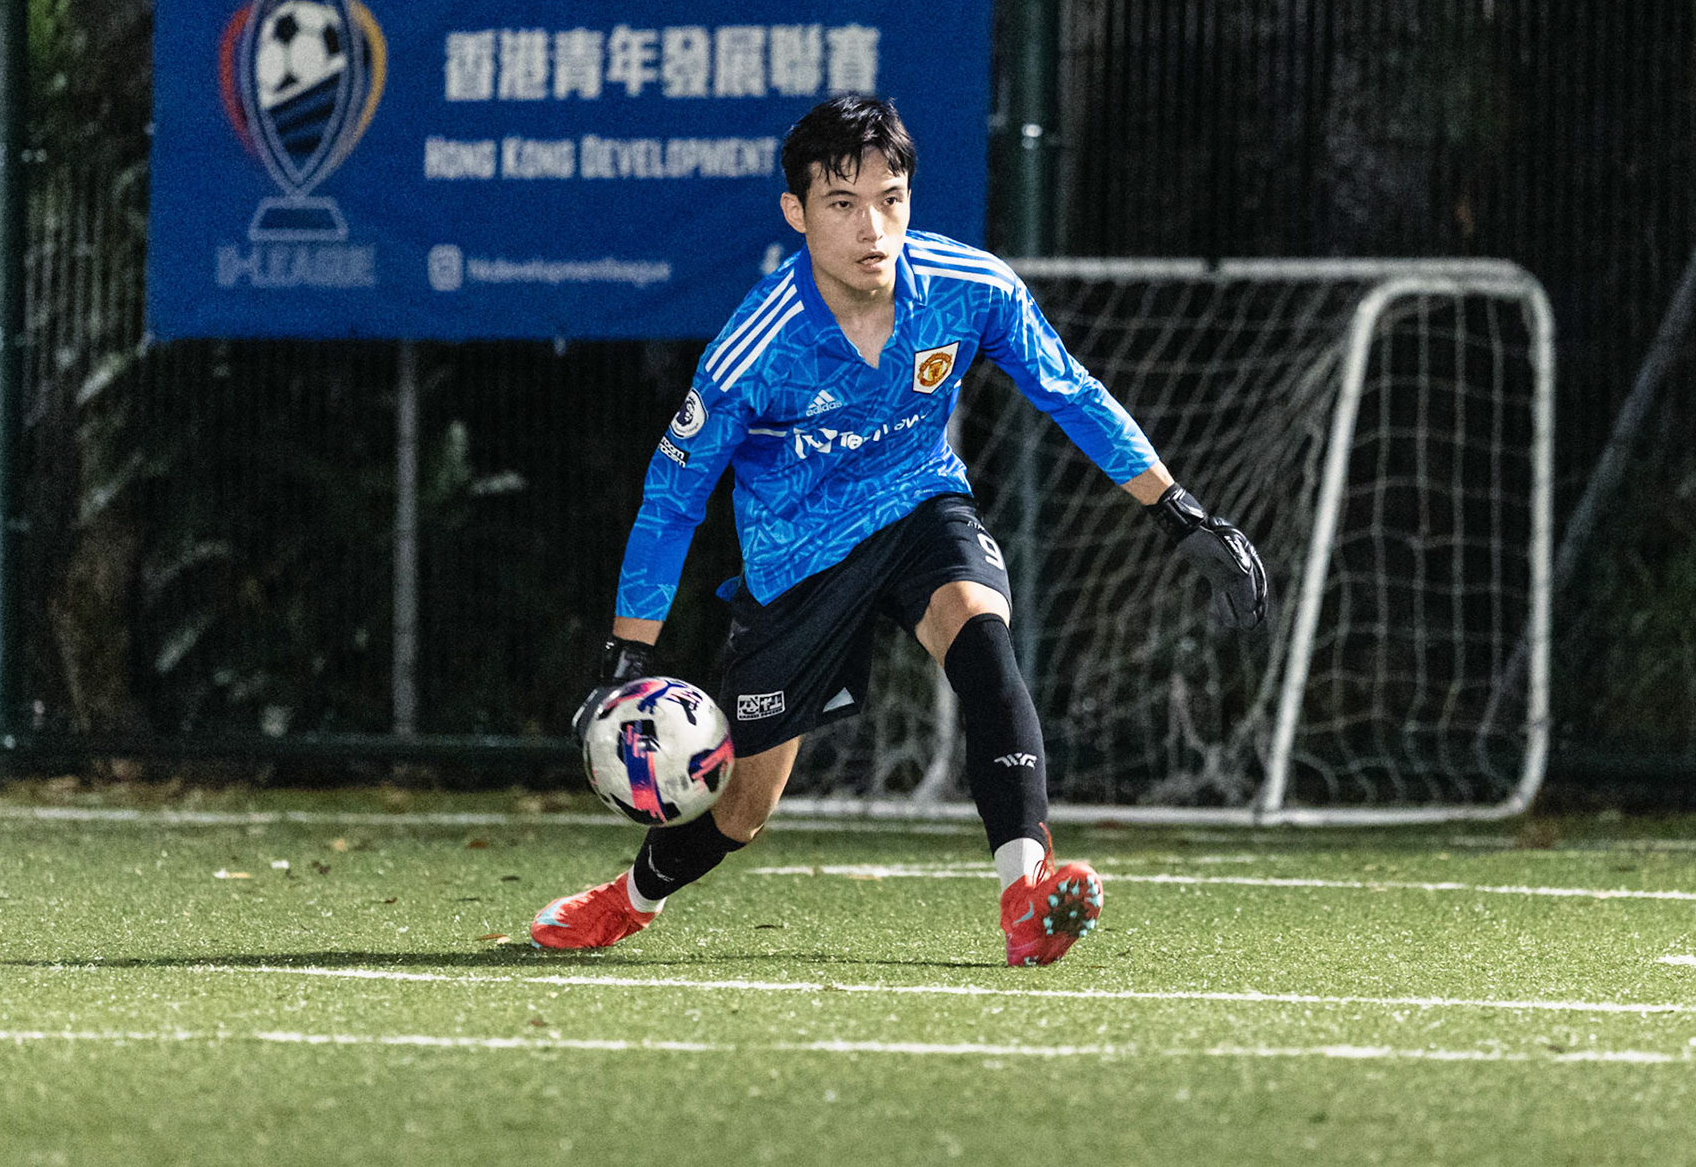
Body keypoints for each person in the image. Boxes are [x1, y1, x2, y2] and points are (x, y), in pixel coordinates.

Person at [531, 95, 1266, 966]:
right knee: (743, 807)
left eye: (891, 199)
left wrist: (1177, 511)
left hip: (919, 503)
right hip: (797, 558)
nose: (872, 227)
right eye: (842, 205)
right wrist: (627, 654)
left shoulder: (971, 289)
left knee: (983, 638)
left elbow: (1070, 391)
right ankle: (631, 898)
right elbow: (672, 496)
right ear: (796, 213)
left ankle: (1026, 896)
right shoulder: (755, 348)